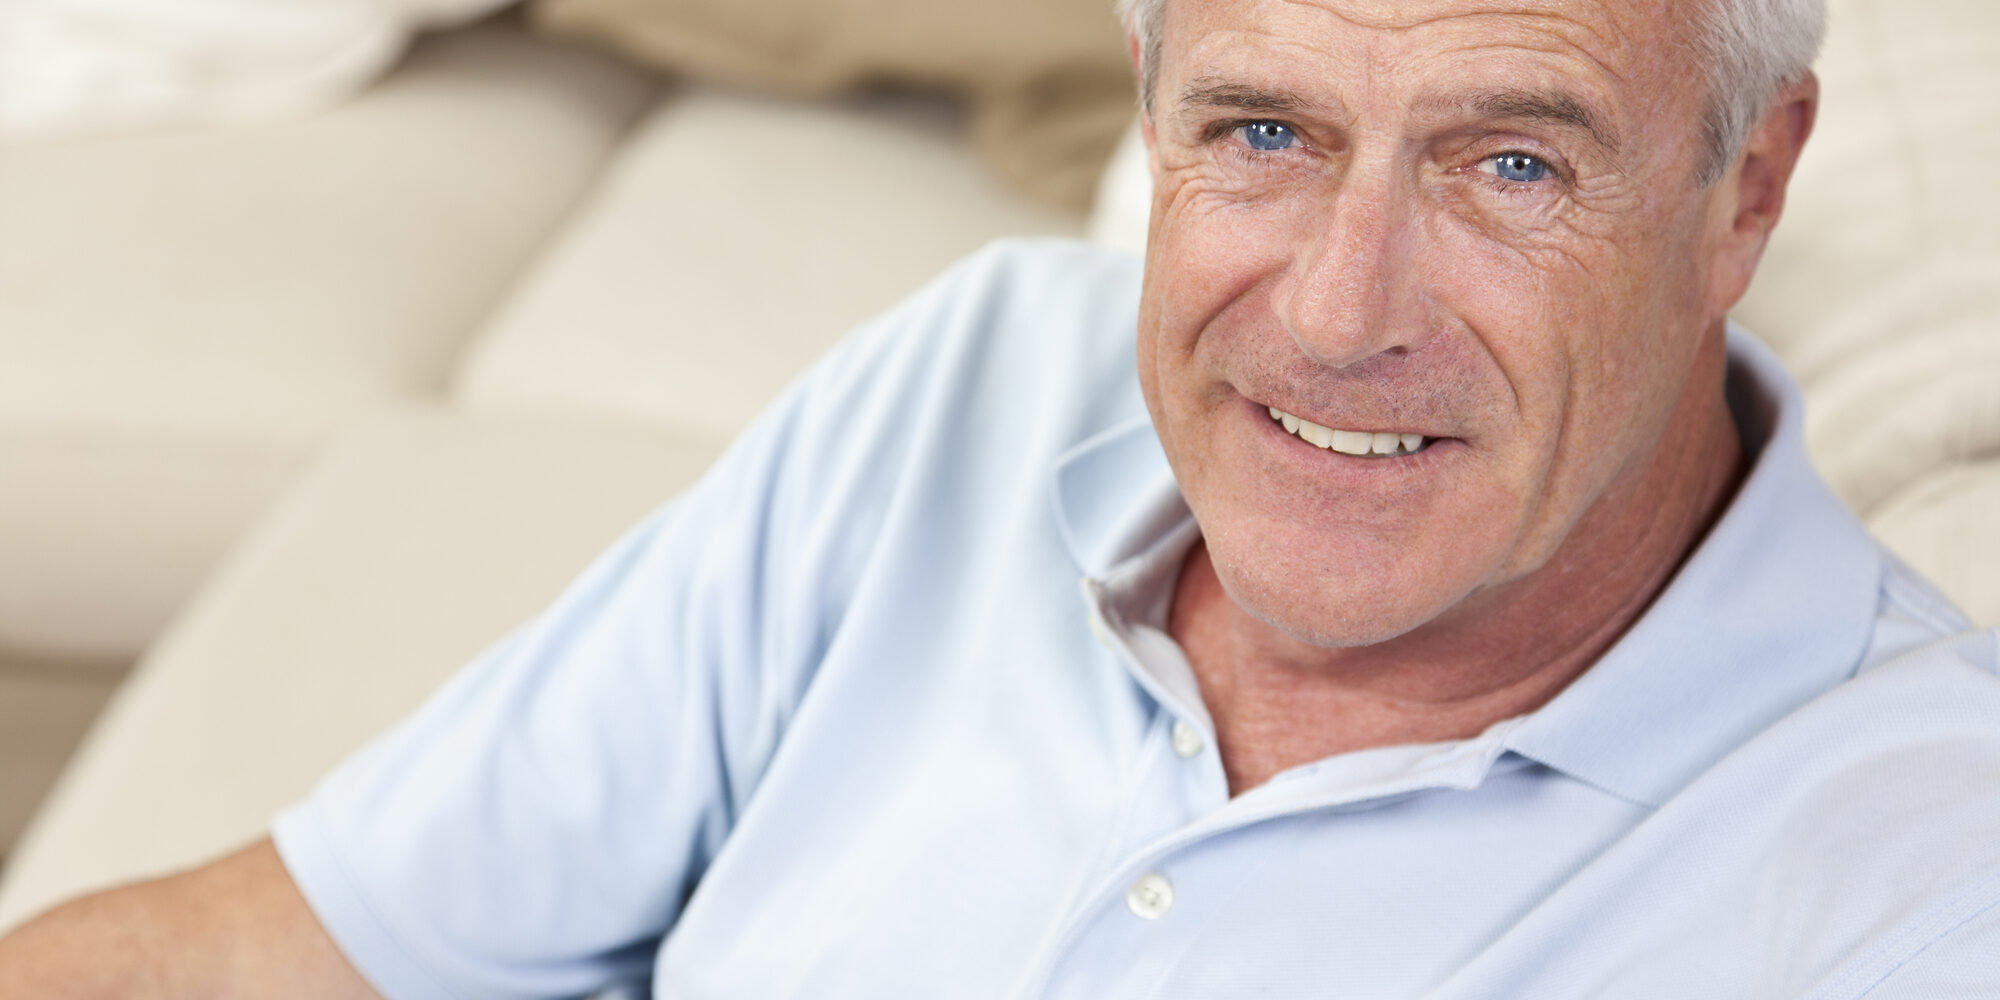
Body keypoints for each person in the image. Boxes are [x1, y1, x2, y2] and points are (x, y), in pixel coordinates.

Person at [4, 0, 1998, 995]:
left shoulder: (1920, 881)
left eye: (1511, 168)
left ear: (1744, 187)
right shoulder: (979, 382)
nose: (1335, 310)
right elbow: (294, 942)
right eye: (1262, 131)